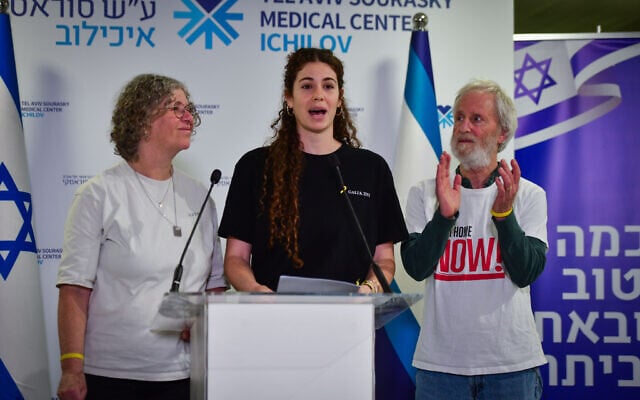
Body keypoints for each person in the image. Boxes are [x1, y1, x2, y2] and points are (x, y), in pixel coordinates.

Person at [56, 74, 226, 400]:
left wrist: (202, 320)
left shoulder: (199, 195)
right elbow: (74, 290)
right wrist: (71, 369)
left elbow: (214, 285)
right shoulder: (99, 194)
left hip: (185, 375)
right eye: (175, 108)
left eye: (189, 108)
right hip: (112, 376)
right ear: (142, 119)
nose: (189, 116)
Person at [401, 79, 548, 400]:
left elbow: (526, 272)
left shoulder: (529, 195)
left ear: (503, 134)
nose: (463, 127)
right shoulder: (424, 194)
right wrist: (444, 216)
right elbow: (415, 267)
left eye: (476, 119)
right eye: (458, 118)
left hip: (511, 366)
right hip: (441, 367)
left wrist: (504, 216)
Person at [218, 47, 407, 293]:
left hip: (351, 319)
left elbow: (384, 258)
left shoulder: (372, 168)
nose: (318, 95)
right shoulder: (255, 166)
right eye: (307, 86)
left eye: (328, 86)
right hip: (273, 317)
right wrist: (256, 290)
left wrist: (370, 288)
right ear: (289, 97)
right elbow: (236, 259)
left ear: (339, 99)